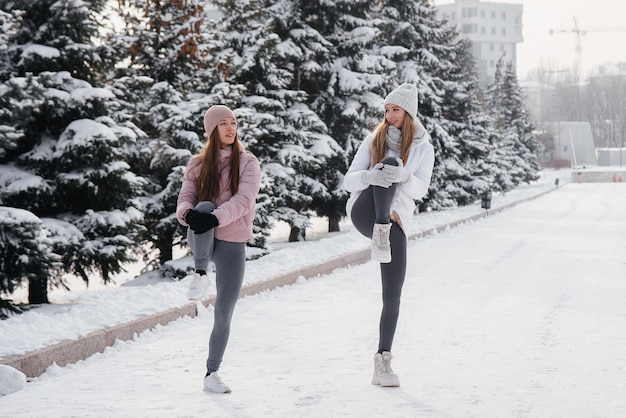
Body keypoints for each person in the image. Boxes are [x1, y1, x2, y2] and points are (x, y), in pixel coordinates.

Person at [342, 83, 435, 387]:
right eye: (386, 110)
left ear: (408, 112)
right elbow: (349, 179)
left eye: (395, 110)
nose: (389, 115)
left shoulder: (423, 147)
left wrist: (404, 177)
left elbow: (421, 189)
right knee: (390, 162)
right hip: (366, 212)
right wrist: (373, 175)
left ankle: (382, 362)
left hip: (397, 221)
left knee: (392, 295)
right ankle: (380, 229)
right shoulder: (374, 139)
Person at [176, 104, 261, 393]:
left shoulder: (248, 162)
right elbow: (185, 197)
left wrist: (215, 216)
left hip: (232, 239)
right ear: (212, 130)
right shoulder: (198, 164)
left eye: (233, 122)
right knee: (201, 204)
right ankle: (200, 272)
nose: (230, 127)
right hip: (203, 235)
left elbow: (244, 200)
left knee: (224, 310)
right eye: (223, 123)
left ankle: (211, 373)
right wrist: (189, 214)